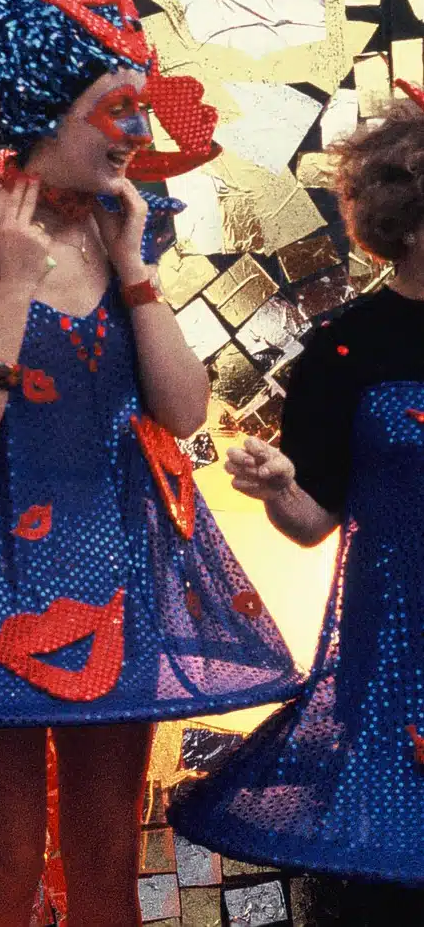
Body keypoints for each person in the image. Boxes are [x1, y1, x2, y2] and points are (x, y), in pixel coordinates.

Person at [0, 0, 304, 927]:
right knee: (5, 859)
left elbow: (182, 410)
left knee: (106, 861)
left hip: (114, 579)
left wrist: (134, 269)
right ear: (43, 114)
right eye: (117, 109)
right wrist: (13, 288)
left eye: (140, 107)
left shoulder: (128, 228)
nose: (138, 131)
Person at [168, 82, 424, 897]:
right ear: (406, 219)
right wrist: (275, 484)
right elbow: (312, 520)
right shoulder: (345, 348)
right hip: (392, 662)